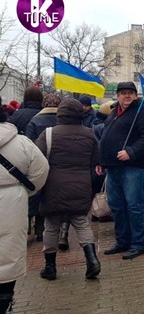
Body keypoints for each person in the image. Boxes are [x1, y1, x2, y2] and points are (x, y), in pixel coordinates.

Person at [35, 99, 101, 281]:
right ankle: (92, 259)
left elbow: (35, 159)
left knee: (51, 226)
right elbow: (96, 158)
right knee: (81, 222)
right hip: (81, 184)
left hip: (53, 186)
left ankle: (50, 267)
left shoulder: (48, 134)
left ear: (60, 114)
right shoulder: (89, 134)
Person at [96, 81, 144, 260]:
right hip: (113, 167)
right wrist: (101, 160)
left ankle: (139, 243)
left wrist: (131, 152)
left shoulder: (143, 113)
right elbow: (105, 138)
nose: (127, 96)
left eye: (130, 92)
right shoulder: (114, 113)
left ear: (135, 95)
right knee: (117, 206)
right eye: (123, 93)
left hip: (133, 167)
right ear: (117, 95)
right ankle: (122, 241)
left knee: (134, 205)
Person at [0, 103, 49, 313]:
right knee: (8, 251)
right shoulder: (21, 142)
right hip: (12, 200)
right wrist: (22, 192)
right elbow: (40, 171)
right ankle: (4, 298)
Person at [25, 93, 62, 242]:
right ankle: (53, 229)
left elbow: (29, 144)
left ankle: (39, 230)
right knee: (55, 195)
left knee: (37, 194)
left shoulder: (35, 121)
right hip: (58, 164)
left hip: (38, 163)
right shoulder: (62, 120)